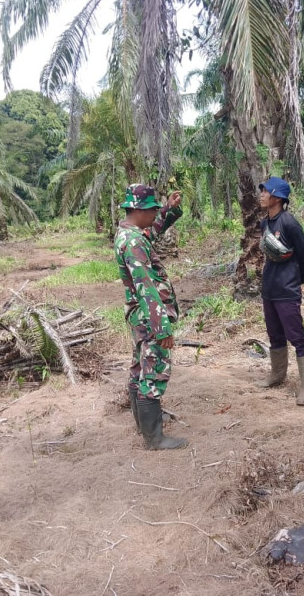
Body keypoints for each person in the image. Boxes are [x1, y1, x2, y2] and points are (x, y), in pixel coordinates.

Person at [114, 184, 187, 449]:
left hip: (139, 315)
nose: (156, 213)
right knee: (153, 372)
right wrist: (162, 327)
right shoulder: (134, 242)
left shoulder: (129, 234)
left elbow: (152, 231)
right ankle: (154, 437)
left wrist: (169, 209)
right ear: (140, 210)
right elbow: (146, 287)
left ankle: (143, 424)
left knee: (140, 367)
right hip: (149, 316)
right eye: (153, 209)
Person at [256, 177, 304, 405]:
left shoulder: (289, 223)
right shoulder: (265, 223)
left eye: (265, 191)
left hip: (287, 290)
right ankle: (277, 375)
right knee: (275, 335)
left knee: (297, 337)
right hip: (270, 289)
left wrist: (298, 280)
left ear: (277, 198)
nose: (261, 195)